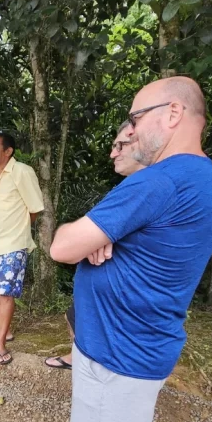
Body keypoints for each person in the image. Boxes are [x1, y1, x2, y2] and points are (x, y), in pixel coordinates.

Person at [34, 77, 212, 422]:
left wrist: (92, 238)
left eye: (136, 118)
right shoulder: (200, 177)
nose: (130, 129)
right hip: (149, 342)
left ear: (173, 114)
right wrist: (111, 237)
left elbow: (62, 245)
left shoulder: (160, 181)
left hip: (119, 348)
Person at [47, 121, 144, 370]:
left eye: (120, 145)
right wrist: (100, 237)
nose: (113, 153)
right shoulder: (131, 188)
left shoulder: (145, 186)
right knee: (72, 315)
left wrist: (91, 238)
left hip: (116, 323)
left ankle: (80, 359)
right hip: (99, 307)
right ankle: (76, 355)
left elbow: (62, 248)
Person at [0, 132, 45, 366]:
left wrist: (19, 231)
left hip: (14, 244)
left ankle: (1, 345)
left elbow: (35, 208)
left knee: (6, 293)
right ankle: (3, 332)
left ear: (8, 151)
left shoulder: (22, 172)